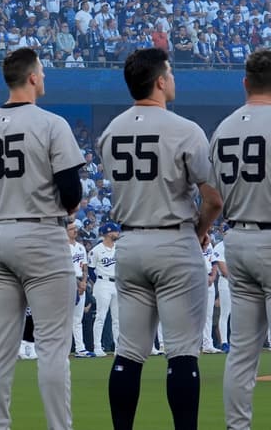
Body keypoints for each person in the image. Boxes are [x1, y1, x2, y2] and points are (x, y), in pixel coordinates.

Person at [0, 47, 84, 430]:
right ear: (32, 77)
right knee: (52, 347)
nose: (43, 78)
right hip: (41, 232)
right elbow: (72, 191)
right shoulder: (51, 123)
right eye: (41, 72)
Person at [99, 48, 223, 430]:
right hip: (173, 239)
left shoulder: (110, 130)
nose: (173, 79)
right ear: (160, 81)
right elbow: (213, 198)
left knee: (128, 354)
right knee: (183, 352)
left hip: (130, 242)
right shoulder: (185, 129)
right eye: (169, 73)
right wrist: (200, 233)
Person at [210, 48, 271, 429]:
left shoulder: (223, 127)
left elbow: (213, 197)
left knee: (242, 352)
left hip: (237, 239)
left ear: (245, 82)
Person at [89, 222, 120, 356]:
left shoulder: (118, 248)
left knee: (117, 318)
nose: (117, 233)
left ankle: (118, 347)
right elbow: (90, 270)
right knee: (101, 316)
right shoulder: (96, 250)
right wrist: (99, 283)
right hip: (103, 282)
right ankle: (97, 346)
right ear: (108, 233)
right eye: (115, 231)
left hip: (117, 283)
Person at [69, 223, 91, 358]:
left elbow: (85, 267)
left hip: (80, 282)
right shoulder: (62, 247)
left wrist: (83, 282)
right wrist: (79, 283)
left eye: (75, 229)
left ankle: (80, 348)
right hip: (67, 282)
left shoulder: (81, 247)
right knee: (65, 319)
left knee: (77, 318)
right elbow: (64, 268)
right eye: (71, 229)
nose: (75, 231)